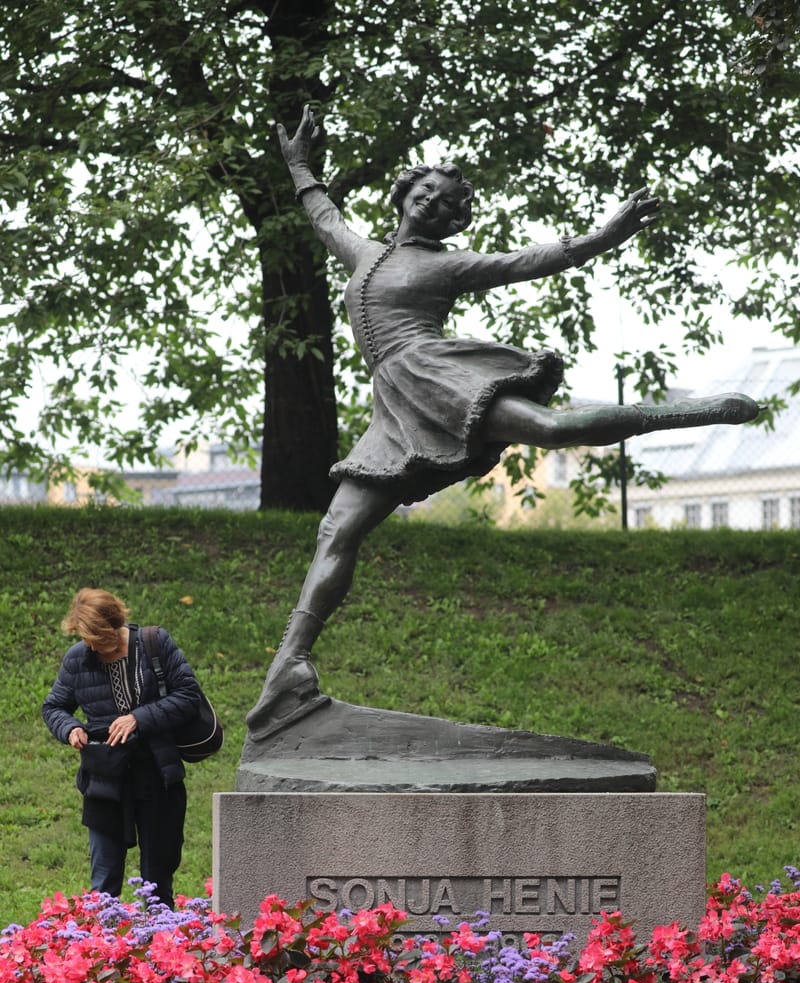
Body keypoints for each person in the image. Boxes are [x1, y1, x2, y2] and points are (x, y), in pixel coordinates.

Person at [246, 105, 759, 741]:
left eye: (446, 203)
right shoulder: (365, 253)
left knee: (552, 431)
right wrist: (299, 165)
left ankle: (693, 410)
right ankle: (291, 662)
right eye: (424, 192)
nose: (431, 203)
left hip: (439, 375)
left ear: (454, 220)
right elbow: (324, 217)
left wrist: (604, 236)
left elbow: (528, 261)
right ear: (403, 197)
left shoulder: (446, 264)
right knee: (337, 525)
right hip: (394, 404)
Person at [42, 588, 203, 908]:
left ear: (115, 624)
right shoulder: (79, 657)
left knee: (158, 881)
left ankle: (161, 950)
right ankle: (102, 950)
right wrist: (70, 728)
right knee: (103, 882)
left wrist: (138, 719)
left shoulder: (154, 644)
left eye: (101, 640)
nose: (96, 648)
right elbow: (54, 707)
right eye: (89, 641)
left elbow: (188, 697)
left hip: (157, 775)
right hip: (105, 778)